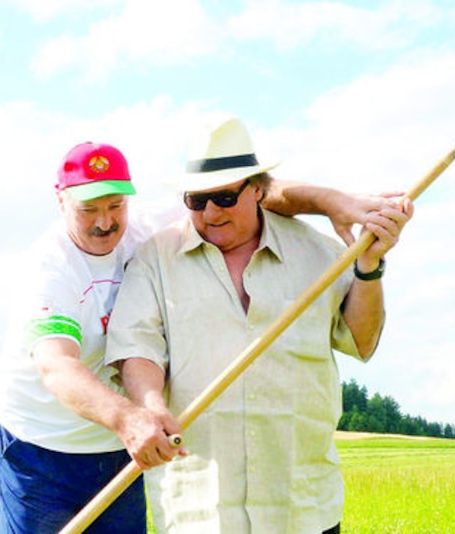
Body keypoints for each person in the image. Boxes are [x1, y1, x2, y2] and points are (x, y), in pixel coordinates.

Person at [0, 139, 399, 533]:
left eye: (116, 205)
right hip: (42, 442)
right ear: (60, 200)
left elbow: (268, 193)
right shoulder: (49, 271)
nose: (105, 221)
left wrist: (335, 203)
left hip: (125, 444)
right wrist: (130, 415)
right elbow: (57, 366)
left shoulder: (161, 223)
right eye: (88, 209)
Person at [104, 117, 413, 533]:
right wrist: (152, 406)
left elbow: (361, 340)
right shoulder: (155, 258)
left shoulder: (318, 251)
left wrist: (368, 268)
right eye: (196, 201)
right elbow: (136, 346)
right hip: (200, 509)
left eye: (225, 197)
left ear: (257, 189)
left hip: (301, 504)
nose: (210, 213)